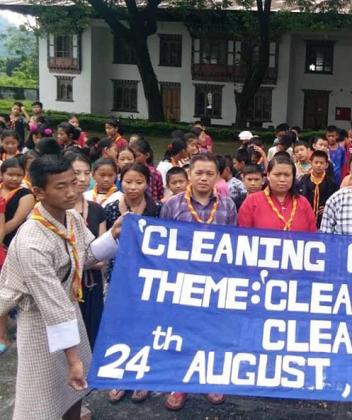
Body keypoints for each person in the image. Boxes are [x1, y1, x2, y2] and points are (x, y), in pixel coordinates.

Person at [0, 154, 121, 419]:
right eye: (61, 186)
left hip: (69, 313)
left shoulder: (71, 217)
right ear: (38, 192)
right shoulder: (32, 241)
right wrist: (73, 358)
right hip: (40, 323)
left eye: (73, 182)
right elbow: (52, 305)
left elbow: (86, 256)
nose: (71, 192)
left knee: (74, 392)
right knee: (40, 399)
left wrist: (113, 234)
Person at [160, 154, 237, 411]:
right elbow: (164, 242)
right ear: (189, 175)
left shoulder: (227, 205)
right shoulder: (172, 205)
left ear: (218, 176)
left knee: (211, 331)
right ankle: (180, 383)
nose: (204, 178)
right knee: (182, 331)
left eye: (209, 174)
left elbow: (234, 244)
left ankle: (207, 378)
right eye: (198, 173)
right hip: (182, 279)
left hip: (216, 280)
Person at [105, 163, 161, 405]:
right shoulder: (110, 209)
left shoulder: (157, 210)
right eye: (128, 181)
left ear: (147, 183)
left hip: (149, 277)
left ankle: (142, 376)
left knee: (146, 326)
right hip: (119, 276)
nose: (133, 187)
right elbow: (102, 244)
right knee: (120, 325)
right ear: (120, 181)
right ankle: (120, 375)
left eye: (139, 182)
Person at [66, 152, 107, 349]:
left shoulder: (96, 209)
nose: (82, 179)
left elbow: (102, 256)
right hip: (66, 284)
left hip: (91, 284)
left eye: (86, 173)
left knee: (92, 335)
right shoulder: (57, 210)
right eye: (76, 173)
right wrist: (88, 258)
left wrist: (82, 259)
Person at [238, 154, 317, 232]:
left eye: (287, 175)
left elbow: (313, 235)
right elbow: (242, 235)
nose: (282, 179)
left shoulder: (303, 203)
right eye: (277, 175)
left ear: (293, 177)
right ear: (268, 175)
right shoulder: (252, 201)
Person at [300, 150, 339, 228]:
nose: (318, 165)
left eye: (321, 163)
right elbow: (300, 197)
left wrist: (328, 208)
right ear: (311, 163)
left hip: (324, 218)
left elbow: (336, 201)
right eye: (316, 162)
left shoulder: (331, 182)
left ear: (326, 165)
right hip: (306, 215)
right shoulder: (304, 179)